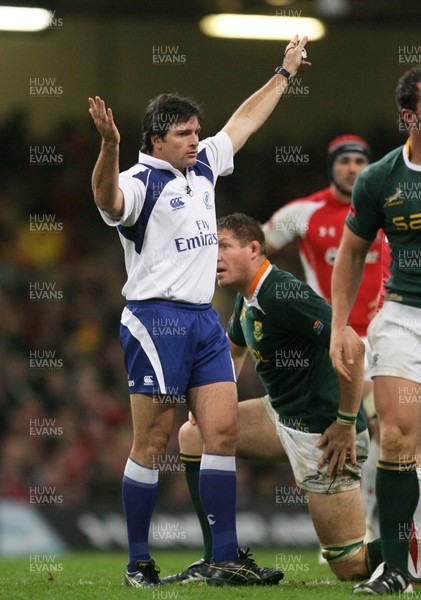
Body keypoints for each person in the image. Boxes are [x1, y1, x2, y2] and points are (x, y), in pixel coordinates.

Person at [88, 36, 310, 587]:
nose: (195, 140)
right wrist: (109, 146)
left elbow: (243, 123)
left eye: (195, 131)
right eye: (183, 134)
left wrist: (283, 75)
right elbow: (104, 200)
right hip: (155, 319)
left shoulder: (202, 166)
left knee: (223, 432)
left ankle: (225, 557)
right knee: (154, 441)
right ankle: (139, 562)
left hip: (204, 319)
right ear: (155, 140)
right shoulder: (140, 183)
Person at [162, 212, 385, 585]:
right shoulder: (248, 297)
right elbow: (233, 351)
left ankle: (411, 551)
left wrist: (346, 423)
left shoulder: (283, 293)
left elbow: (351, 348)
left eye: (223, 247)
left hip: (323, 431)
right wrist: (215, 403)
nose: (214, 256)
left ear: (253, 249)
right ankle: (219, 558)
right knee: (194, 434)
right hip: (280, 415)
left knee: (351, 566)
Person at [263, 135, 384, 543]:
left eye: (359, 161)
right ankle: (364, 530)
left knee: (391, 433)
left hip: (389, 334)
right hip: (334, 340)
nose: (352, 168)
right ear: (331, 166)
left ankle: (377, 530)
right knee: (365, 430)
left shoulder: (386, 206)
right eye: (344, 161)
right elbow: (255, 251)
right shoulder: (304, 212)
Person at [330, 65, 421, 595]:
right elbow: (351, 255)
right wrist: (341, 325)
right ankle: (396, 571)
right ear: (409, 114)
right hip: (403, 316)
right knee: (396, 436)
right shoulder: (380, 178)